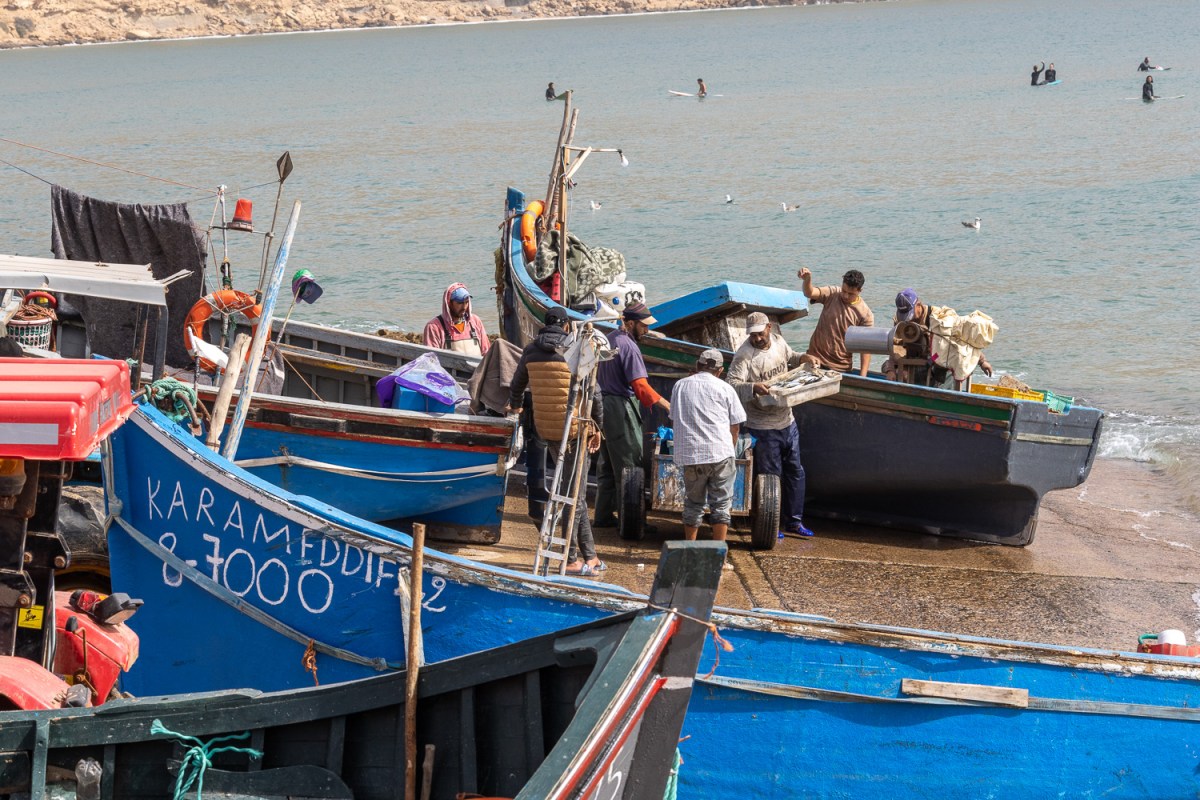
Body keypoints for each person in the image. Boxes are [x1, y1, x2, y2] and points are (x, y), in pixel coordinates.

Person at [505, 306, 605, 576]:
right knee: (575, 495)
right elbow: (595, 394)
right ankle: (571, 558)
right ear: (566, 326)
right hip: (574, 430)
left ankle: (591, 556)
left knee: (572, 491)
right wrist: (598, 427)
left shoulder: (530, 351)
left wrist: (516, 405)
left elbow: (516, 387)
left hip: (547, 430)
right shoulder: (575, 350)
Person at [727, 312, 813, 538]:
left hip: (787, 420)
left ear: (769, 328)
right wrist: (753, 387)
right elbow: (731, 384)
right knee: (769, 478)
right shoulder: (744, 355)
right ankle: (770, 524)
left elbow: (791, 357)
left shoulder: (779, 341)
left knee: (795, 471)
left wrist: (804, 358)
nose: (756, 338)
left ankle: (794, 521)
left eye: (759, 333)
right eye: (752, 335)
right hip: (762, 426)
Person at [593, 301, 671, 528]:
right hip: (620, 408)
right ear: (629, 323)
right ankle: (631, 522)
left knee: (607, 465)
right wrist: (667, 405)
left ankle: (603, 516)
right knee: (630, 467)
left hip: (602, 406)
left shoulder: (610, 338)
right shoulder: (629, 347)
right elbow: (640, 386)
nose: (646, 330)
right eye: (643, 326)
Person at [670, 348, 745, 562]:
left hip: (691, 455)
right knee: (721, 505)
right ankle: (717, 558)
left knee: (693, 504)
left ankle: (688, 554)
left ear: (697, 365)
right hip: (721, 453)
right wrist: (730, 450)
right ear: (720, 370)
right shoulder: (726, 388)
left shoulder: (680, 386)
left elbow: (674, 418)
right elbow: (735, 426)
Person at [883, 288, 993, 388]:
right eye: (904, 315)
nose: (908, 319)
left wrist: (982, 361)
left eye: (909, 314)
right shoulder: (900, 322)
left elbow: (961, 340)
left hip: (938, 366)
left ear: (918, 305)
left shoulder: (939, 318)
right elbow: (895, 347)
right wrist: (890, 369)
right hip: (914, 366)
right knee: (896, 373)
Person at [796, 267, 874, 376]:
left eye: (851, 294)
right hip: (814, 360)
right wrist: (807, 280)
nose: (845, 296)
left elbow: (866, 347)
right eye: (844, 291)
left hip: (840, 367)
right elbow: (809, 292)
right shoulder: (832, 293)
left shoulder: (865, 313)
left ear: (860, 291)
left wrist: (863, 376)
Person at [422, 283, 491, 357]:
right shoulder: (434, 327)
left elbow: (487, 353)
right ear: (449, 303)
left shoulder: (475, 321)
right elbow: (431, 359)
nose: (464, 307)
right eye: (460, 303)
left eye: (466, 302)